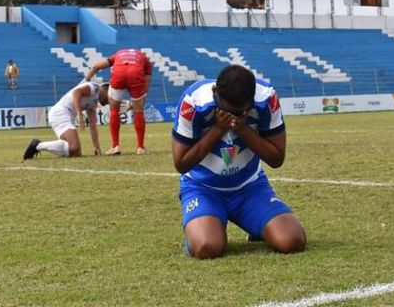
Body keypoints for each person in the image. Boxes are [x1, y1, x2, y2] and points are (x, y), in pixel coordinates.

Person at [171, 65, 306, 259]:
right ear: (215, 92)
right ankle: (199, 230)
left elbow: (276, 159)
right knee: (207, 247)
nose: (234, 116)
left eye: (241, 111)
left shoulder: (266, 97)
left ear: (252, 97)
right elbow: (181, 163)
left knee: (292, 241)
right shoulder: (193, 101)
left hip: (249, 187)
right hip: (203, 188)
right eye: (227, 110)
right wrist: (218, 129)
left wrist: (243, 130)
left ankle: (256, 225)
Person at [85, 49, 152, 155]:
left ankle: (115, 146)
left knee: (114, 110)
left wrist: (86, 81)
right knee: (139, 111)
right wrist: (142, 97)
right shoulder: (145, 59)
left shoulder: (118, 54)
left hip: (118, 74)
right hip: (136, 74)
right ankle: (140, 147)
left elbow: (96, 67)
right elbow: (147, 81)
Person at [22, 82, 109, 160]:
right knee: (74, 147)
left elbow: (93, 125)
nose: (109, 102)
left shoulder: (94, 103)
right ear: (107, 89)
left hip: (64, 115)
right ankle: (37, 145)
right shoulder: (95, 88)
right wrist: (79, 114)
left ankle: (39, 146)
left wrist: (97, 148)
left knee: (76, 152)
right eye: (110, 98)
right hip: (61, 113)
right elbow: (76, 92)